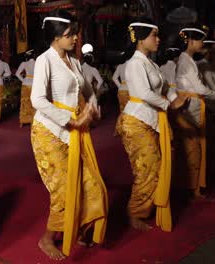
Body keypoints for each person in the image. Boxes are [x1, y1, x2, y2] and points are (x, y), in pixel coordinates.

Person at [30, 9, 107, 260]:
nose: (75, 38)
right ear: (55, 37)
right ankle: (47, 239)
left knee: (90, 183)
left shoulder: (74, 61)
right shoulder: (45, 60)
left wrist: (93, 106)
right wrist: (71, 121)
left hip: (74, 130)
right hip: (49, 132)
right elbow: (37, 100)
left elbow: (88, 89)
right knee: (63, 189)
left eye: (75, 33)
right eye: (69, 34)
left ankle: (80, 227)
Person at [116, 19, 188, 232]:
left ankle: (145, 207)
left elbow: (165, 86)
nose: (158, 39)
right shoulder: (135, 63)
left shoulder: (152, 64)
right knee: (148, 168)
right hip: (136, 122)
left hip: (150, 120)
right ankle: (135, 212)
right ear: (140, 38)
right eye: (154, 35)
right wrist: (170, 104)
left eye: (158, 35)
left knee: (155, 166)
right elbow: (143, 94)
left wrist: (177, 98)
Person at [175, 24, 215, 198]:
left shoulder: (188, 60)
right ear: (191, 41)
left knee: (195, 148)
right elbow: (200, 89)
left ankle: (194, 186)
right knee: (192, 149)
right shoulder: (186, 61)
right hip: (189, 109)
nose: (203, 44)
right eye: (200, 40)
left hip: (193, 107)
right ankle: (192, 188)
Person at [15, 49, 36, 127]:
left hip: (26, 84)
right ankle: (33, 120)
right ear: (34, 55)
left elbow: (17, 74)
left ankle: (23, 121)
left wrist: (23, 80)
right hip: (35, 84)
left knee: (24, 102)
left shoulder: (24, 63)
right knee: (34, 103)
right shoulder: (38, 63)